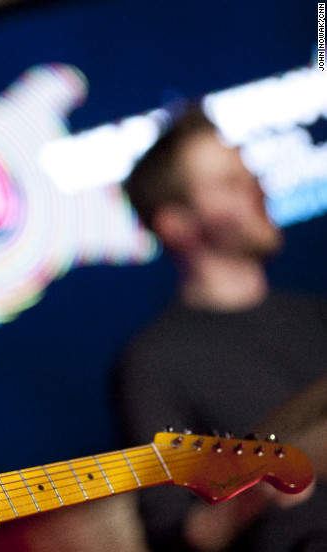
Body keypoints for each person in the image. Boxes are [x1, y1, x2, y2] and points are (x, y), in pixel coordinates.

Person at [116, 104, 327, 552]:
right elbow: (174, 536)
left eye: (249, 176)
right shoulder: (154, 365)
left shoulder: (316, 316)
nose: (257, 189)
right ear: (176, 224)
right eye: (230, 183)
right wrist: (257, 488)